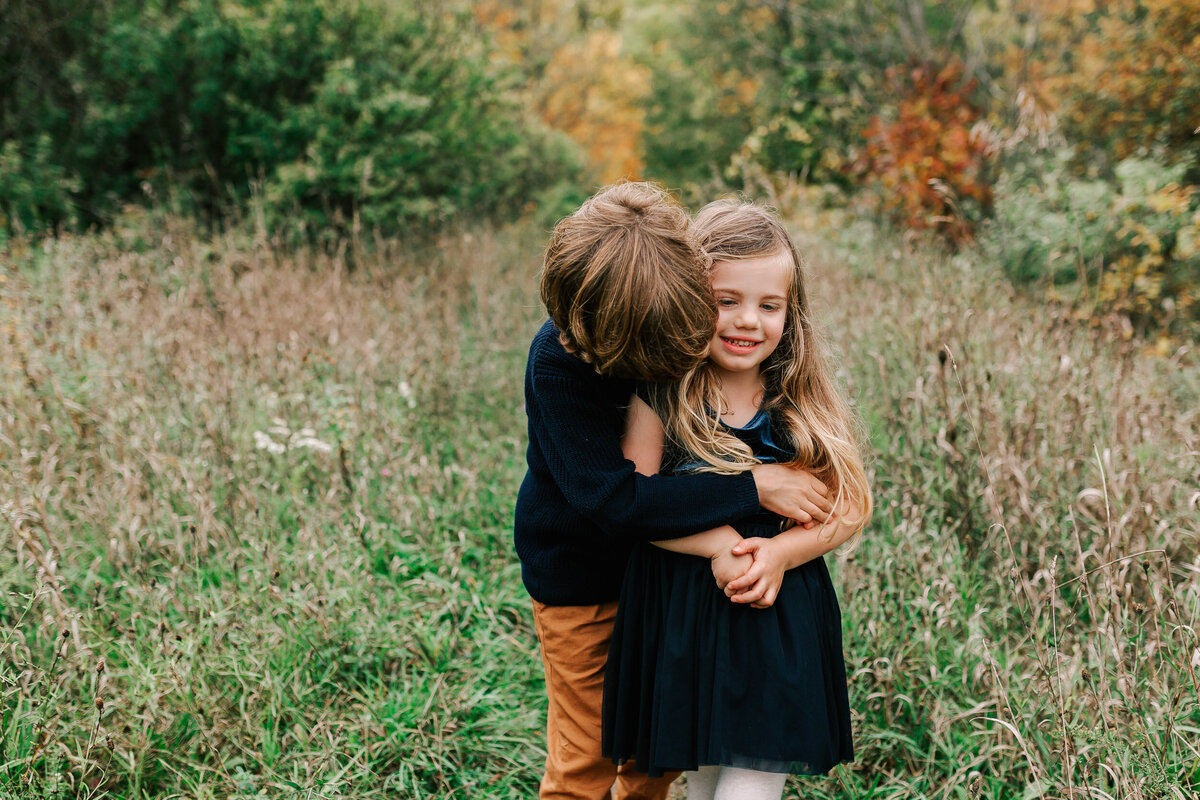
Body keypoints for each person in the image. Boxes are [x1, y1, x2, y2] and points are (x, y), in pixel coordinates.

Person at [515, 182, 834, 800]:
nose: (655, 358)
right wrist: (754, 488)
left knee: (652, 757)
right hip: (582, 582)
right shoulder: (558, 360)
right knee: (584, 757)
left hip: (662, 586)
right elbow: (617, 501)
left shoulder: (679, 324)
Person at [601, 199, 873, 800]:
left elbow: (851, 506)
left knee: (746, 792)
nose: (747, 320)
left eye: (768, 305)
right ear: (689, 299)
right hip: (682, 619)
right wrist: (718, 544)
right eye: (726, 301)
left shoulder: (797, 400)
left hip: (773, 620)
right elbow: (635, 503)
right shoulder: (663, 394)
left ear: (790, 314)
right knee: (700, 788)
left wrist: (779, 555)